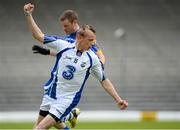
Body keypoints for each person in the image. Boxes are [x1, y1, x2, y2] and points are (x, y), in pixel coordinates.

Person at [24, 3, 128, 130]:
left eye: (66, 25)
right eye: (90, 40)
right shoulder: (65, 43)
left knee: (40, 128)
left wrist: (118, 99)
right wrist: (28, 15)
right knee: (47, 125)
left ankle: (69, 115)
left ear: (74, 23)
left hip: (67, 98)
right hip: (52, 91)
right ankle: (71, 115)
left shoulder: (91, 56)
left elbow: (103, 73)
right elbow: (39, 36)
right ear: (80, 38)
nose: (93, 43)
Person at [32, 9, 106, 65]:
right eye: (63, 26)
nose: (64, 28)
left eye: (66, 26)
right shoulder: (69, 37)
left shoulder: (84, 36)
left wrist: (100, 66)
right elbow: (68, 54)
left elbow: (100, 55)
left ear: (74, 22)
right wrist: (47, 52)